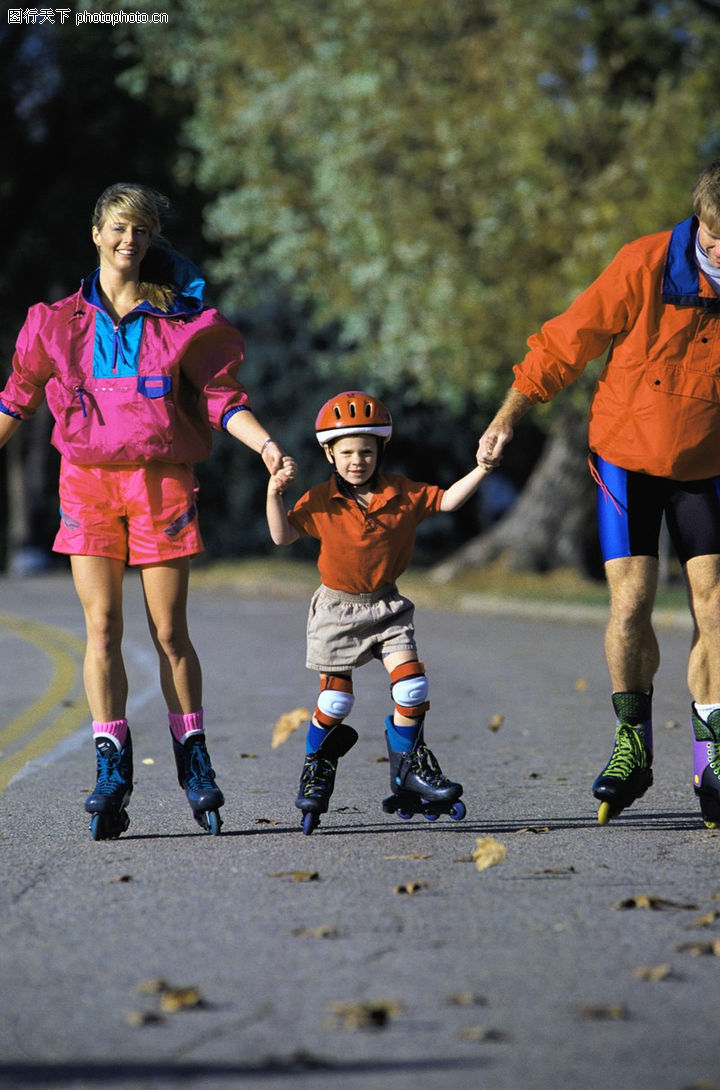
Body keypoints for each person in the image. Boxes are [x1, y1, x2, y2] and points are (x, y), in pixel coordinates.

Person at [0, 182, 293, 839]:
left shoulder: (183, 321)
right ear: (96, 234)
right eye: (119, 227)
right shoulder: (55, 323)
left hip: (161, 484)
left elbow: (222, 398)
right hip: (87, 484)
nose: (129, 240)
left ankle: (194, 759)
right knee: (102, 627)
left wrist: (266, 446)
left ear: (152, 239)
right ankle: (111, 767)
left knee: (169, 633)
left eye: (141, 230)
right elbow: (16, 397)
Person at [477, 159, 720, 828]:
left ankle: (713, 757)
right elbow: (565, 342)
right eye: (715, 239)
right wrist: (508, 416)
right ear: (698, 221)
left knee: (715, 607)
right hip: (627, 457)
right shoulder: (644, 263)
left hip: (707, 462)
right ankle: (632, 742)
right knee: (632, 601)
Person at [266, 389, 490, 834]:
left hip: (387, 606)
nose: (357, 461)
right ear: (329, 454)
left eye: (366, 451)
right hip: (337, 609)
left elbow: (448, 500)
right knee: (335, 701)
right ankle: (317, 765)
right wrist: (274, 494)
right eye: (347, 452)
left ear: (380, 451)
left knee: (412, 688)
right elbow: (281, 537)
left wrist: (483, 467)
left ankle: (408, 767)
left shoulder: (402, 493)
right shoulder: (320, 500)